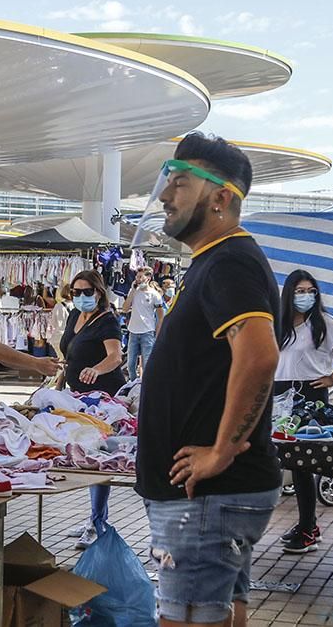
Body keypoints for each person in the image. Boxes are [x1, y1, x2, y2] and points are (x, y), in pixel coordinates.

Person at [136, 133, 282, 627]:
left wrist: (221, 449)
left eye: (179, 182)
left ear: (220, 197)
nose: (164, 195)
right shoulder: (213, 262)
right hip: (207, 499)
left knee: (188, 617)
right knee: (219, 610)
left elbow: (260, 356)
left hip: (206, 498)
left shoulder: (230, 260)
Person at [274, 270, 333, 554]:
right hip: (278, 394)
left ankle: (307, 526)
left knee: (301, 463)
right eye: (300, 291)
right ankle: (307, 524)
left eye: (310, 291)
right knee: (281, 459)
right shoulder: (277, 323)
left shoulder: (325, 323)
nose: (305, 296)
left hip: (309, 395)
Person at [60, 270, 125, 550]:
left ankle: (98, 522)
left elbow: (115, 356)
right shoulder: (75, 316)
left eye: (88, 292)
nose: (82, 297)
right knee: (85, 454)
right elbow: (70, 354)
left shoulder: (108, 322)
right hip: (78, 398)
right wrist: (60, 378)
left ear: (99, 292)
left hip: (104, 398)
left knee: (98, 457)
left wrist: (95, 370)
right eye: (77, 292)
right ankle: (94, 518)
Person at [122, 267, 164, 379]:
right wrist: (133, 291)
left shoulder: (155, 295)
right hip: (133, 331)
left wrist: (158, 333)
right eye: (137, 276)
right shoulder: (134, 292)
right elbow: (125, 309)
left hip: (147, 332)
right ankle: (133, 384)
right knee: (130, 364)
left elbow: (161, 316)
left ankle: (144, 386)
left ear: (148, 278)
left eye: (141, 277)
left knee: (147, 364)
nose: (138, 279)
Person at [49, 283, 72, 361]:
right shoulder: (76, 307)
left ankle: (60, 373)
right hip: (70, 337)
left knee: (61, 360)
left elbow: (53, 322)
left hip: (58, 337)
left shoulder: (58, 306)